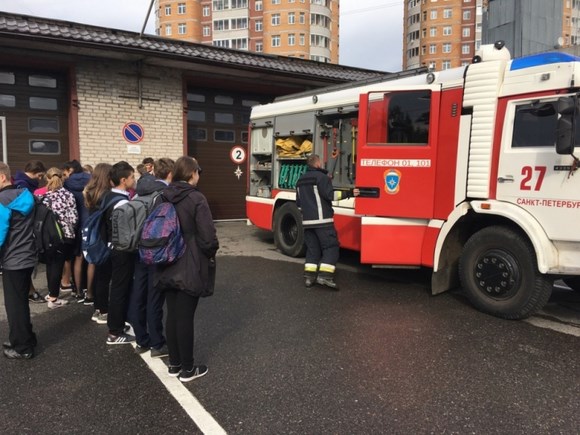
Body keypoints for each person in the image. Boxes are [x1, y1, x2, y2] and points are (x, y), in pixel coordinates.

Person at [156, 156, 218, 382]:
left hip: (164, 260)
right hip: (189, 262)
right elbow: (208, 237)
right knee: (185, 317)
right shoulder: (196, 198)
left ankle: (174, 364)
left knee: (172, 314)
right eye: (198, 171)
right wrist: (210, 253)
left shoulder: (162, 196)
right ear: (192, 174)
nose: (199, 176)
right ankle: (188, 369)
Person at [128, 158, 174, 357]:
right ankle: (157, 343)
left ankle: (141, 339)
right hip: (156, 250)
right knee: (154, 297)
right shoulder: (164, 194)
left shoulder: (139, 190)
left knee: (139, 293)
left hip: (138, 249)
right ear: (170, 173)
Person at [295, 154, 358, 290]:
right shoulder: (321, 178)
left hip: (307, 222)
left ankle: (309, 277)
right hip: (323, 221)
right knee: (331, 247)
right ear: (317, 164)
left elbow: (299, 204)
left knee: (313, 249)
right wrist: (350, 193)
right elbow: (331, 195)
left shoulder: (300, 180)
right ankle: (325, 276)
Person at [0, 162, 38, 359]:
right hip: (27, 256)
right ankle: (24, 337)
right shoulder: (24, 196)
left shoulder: (2, 200)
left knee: (14, 305)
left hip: (12, 259)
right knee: (21, 301)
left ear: (2, 177)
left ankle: (22, 347)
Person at [103, 161, 136, 344]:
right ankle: (114, 332)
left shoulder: (109, 196)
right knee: (119, 289)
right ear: (123, 180)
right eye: (132, 177)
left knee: (117, 287)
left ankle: (119, 324)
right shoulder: (122, 203)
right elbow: (126, 233)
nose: (134, 179)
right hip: (121, 250)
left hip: (111, 247)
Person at [41, 167, 78, 309]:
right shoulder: (68, 195)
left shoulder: (44, 197)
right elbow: (73, 218)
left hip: (48, 236)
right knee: (58, 265)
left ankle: (51, 293)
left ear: (47, 179)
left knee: (50, 265)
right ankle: (53, 298)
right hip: (64, 235)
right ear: (62, 178)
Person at [14, 160, 46, 303]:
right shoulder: (23, 185)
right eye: (39, 176)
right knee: (26, 262)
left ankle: (28, 290)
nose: (40, 179)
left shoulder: (24, 183)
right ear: (33, 173)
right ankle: (29, 291)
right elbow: (25, 208)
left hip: (25, 228)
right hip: (25, 229)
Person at [83, 163, 112, 324]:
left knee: (99, 273)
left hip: (94, 238)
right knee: (105, 277)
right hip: (104, 237)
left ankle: (97, 307)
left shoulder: (90, 192)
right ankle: (103, 310)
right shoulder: (106, 195)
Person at [63, 160, 91, 303]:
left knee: (78, 258)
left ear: (69, 170)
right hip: (90, 220)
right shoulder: (90, 179)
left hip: (76, 223)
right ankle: (90, 291)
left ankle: (78, 291)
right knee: (91, 258)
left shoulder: (67, 184)